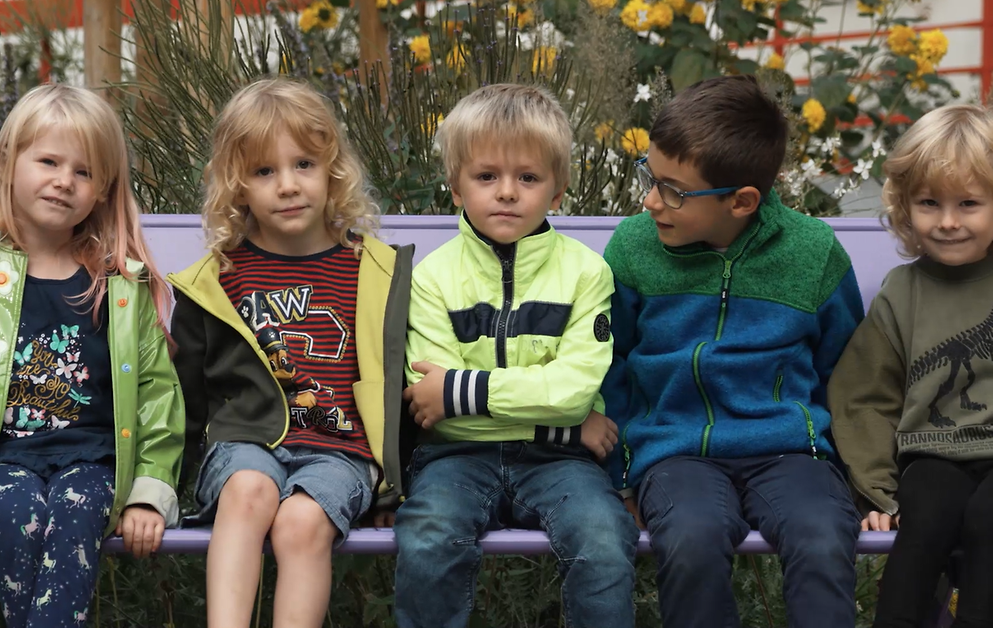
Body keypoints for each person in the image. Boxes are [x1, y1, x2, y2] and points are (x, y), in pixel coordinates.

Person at [601, 75, 864, 628]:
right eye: (650, 177)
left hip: (791, 452)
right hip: (674, 453)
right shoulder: (633, 247)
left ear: (742, 201)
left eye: (672, 190)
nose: (651, 200)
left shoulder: (813, 254)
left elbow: (842, 369)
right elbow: (611, 364)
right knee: (692, 540)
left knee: (821, 536)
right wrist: (619, 468)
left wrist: (852, 469)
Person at [169, 78, 412, 628]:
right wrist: (158, 483)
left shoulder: (372, 270)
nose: (287, 185)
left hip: (341, 452)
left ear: (332, 170)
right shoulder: (218, 279)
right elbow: (183, 397)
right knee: (250, 489)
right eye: (263, 171)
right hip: (242, 447)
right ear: (237, 186)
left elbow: (399, 383)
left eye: (303, 164)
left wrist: (397, 486)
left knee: (302, 523)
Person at [395, 83, 639, 628]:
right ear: (455, 187)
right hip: (455, 461)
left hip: (559, 465)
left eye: (527, 178)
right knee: (429, 534)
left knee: (603, 537)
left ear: (558, 191)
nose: (507, 192)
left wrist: (465, 392)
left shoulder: (584, 273)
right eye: (486, 176)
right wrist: (566, 425)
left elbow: (574, 390)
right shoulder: (432, 279)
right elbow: (429, 405)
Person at [0, 84, 184, 627]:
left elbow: (157, 396)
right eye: (49, 161)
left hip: (93, 463)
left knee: (77, 511)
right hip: (8, 462)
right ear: (11, 164)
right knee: (14, 513)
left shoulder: (118, 286)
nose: (63, 180)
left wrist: (149, 494)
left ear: (102, 190)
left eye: (82, 172)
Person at [830, 104, 993, 628]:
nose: (947, 221)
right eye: (929, 203)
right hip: (933, 455)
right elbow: (864, 396)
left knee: (988, 521)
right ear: (905, 206)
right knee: (924, 524)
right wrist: (878, 489)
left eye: (969, 203)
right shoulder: (903, 293)